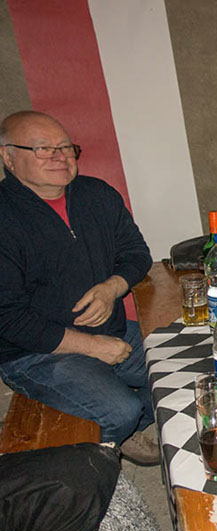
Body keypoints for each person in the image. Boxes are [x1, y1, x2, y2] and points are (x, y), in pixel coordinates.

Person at [0, 111, 156, 465]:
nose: (60, 156)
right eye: (43, 148)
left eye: (66, 147)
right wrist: (91, 347)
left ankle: (124, 433)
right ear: (8, 157)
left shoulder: (97, 194)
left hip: (111, 330)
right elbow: (7, 318)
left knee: (189, 370)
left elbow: (136, 253)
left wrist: (112, 287)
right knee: (120, 410)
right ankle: (92, 470)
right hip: (36, 353)